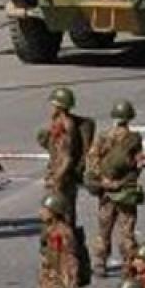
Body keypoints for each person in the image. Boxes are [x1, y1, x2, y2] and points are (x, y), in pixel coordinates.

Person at [87, 100, 145, 276]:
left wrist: (104, 179)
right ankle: (128, 264)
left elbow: (92, 159)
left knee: (104, 229)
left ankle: (100, 263)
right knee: (127, 230)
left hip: (106, 191)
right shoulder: (134, 139)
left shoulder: (104, 136)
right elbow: (139, 164)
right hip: (126, 191)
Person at [37, 87, 93, 224]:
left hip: (63, 178)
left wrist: (56, 179)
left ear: (60, 105)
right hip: (61, 174)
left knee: (63, 216)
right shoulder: (58, 122)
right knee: (61, 214)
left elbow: (67, 158)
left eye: (54, 104)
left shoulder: (66, 125)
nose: (52, 107)